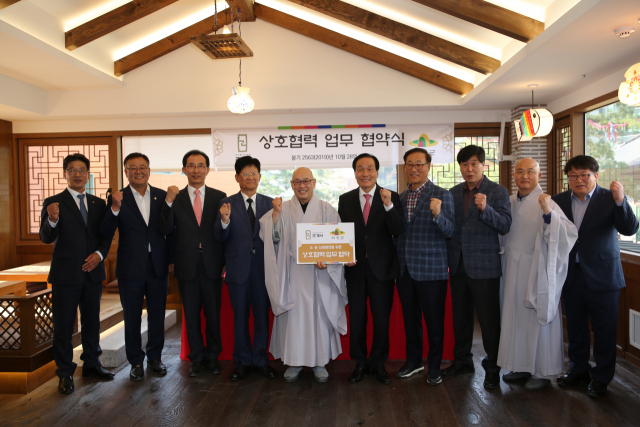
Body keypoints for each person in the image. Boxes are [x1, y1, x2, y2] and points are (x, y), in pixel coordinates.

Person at [552, 155, 639, 397]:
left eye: (584, 175)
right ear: (568, 178)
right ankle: (578, 370)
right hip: (571, 276)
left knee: (604, 331)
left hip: (604, 276)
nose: (578, 180)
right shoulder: (558, 201)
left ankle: (601, 378)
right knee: (576, 329)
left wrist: (621, 200)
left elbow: (630, 228)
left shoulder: (610, 198)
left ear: (595, 176)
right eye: (573, 176)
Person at [259, 167, 347, 383]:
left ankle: (319, 361)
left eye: (306, 181)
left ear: (314, 182)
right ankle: (294, 362)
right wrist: (277, 215)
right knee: (294, 317)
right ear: (291, 184)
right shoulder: (282, 209)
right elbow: (270, 238)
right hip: (293, 273)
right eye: (297, 182)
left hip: (320, 275)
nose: (302, 185)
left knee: (319, 316)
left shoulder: (327, 209)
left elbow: (338, 242)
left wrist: (328, 261)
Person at [497, 158, 578, 391]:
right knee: (515, 318)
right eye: (519, 171)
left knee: (537, 318)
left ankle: (543, 371)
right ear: (513, 176)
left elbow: (567, 234)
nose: (524, 176)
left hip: (536, 269)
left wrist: (548, 214)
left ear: (539, 176)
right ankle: (521, 365)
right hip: (511, 268)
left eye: (530, 171)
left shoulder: (548, 202)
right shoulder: (510, 201)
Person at [39, 153, 114, 395]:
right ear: (65, 174)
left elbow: (105, 235)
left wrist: (100, 255)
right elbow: (46, 237)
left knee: (92, 322)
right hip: (65, 275)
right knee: (63, 326)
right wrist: (52, 219)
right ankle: (64, 373)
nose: (78, 174)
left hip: (93, 272)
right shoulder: (54, 202)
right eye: (72, 170)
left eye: (82, 170)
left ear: (88, 174)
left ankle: (92, 364)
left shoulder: (98, 203)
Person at [100, 152, 174, 381]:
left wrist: (170, 258)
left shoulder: (162, 197)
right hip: (130, 266)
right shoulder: (118, 198)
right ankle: (135, 362)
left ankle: (155, 358)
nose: (138, 171)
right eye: (133, 168)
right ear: (126, 172)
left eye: (142, 167)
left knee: (156, 315)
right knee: (131, 316)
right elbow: (105, 230)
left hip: (158, 266)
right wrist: (113, 207)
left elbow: (170, 229)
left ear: (149, 171)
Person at [443, 145, 511, 389]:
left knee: (489, 321)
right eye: (464, 165)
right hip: (457, 265)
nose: (468, 169)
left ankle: (493, 369)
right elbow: (450, 229)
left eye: (473, 164)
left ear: (484, 165)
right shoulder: (451, 193)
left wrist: (486, 209)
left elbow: (504, 225)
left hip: (485, 266)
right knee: (460, 319)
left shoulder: (498, 192)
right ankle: (462, 361)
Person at [159, 149, 226, 377]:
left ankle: (213, 356)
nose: (196, 170)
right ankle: (196, 358)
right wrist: (167, 202)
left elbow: (223, 232)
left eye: (200, 165)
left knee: (213, 314)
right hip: (186, 264)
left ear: (207, 170)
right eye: (191, 165)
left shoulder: (219, 196)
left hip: (212, 264)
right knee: (191, 315)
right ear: (184, 169)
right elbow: (165, 230)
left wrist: (225, 262)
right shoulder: (174, 198)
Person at [338, 153, 403, 385]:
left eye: (369, 169)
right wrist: (344, 255)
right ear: (355, 172)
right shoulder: (345, 199)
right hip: (355, 269)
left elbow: (397, 230)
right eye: (360, 169)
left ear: (377, 172)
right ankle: (360, 362)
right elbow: (342, 233)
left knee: (381, 318)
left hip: (382, 270)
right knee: (357, 318)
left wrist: (388, 206)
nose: (365, 173)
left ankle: (378, 362)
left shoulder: (391, 196)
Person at [394, 148, 456, 386]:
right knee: (411, 320)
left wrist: (438, 214)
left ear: (428, 166)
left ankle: (434, 366)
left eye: (419, 164)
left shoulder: (441, 194)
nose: (414, 169)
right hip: (405, 270)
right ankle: (413, 362)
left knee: (434, 321)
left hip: (432, 270)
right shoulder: (399, 198)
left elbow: (449, 231)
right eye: (410, 164)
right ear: (405, 167)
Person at [214, 156, 276, 381]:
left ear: (260, 177)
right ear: (237, 177)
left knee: (262, 318)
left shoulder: (271, 204)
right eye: (245, 174)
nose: (250, 177)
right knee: (239, 318)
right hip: (237, 270)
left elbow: (277, 238)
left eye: (254, 174)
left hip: (262, 271)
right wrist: (224, 220)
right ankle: (241, 362)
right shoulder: (226, 203)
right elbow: (219, 236)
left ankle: (260, 361)